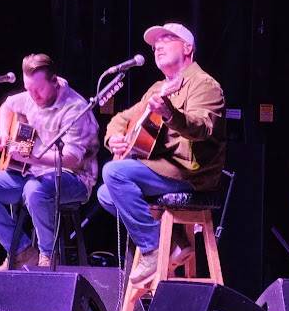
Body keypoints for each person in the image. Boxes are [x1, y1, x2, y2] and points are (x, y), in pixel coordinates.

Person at [97, 22, 226, 285]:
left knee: (114, 173)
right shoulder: (158, 88)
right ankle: (174, 243)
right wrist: (115, 139)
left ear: (188, 47)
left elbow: (202, 127)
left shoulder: (205, 85)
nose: (158, 46)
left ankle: (153, 250)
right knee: (106, 194)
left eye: (167, 39)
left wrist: (170, 114)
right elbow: (121, 118)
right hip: (161, 168)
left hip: (189, 173)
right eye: (156, 43)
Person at [0, 53, 99, 270]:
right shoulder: (30, 95)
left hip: (74, 178)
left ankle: (47, 256)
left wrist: (32, 156)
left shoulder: (75, 108)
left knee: (35, 191)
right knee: (27, 186)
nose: (33, 96)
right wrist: (5, 133)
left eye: (39, 89)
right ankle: (22, 251)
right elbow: (7, 106)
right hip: (29, 172)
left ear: (54, 81)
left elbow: (71, 159)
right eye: (28, 89)